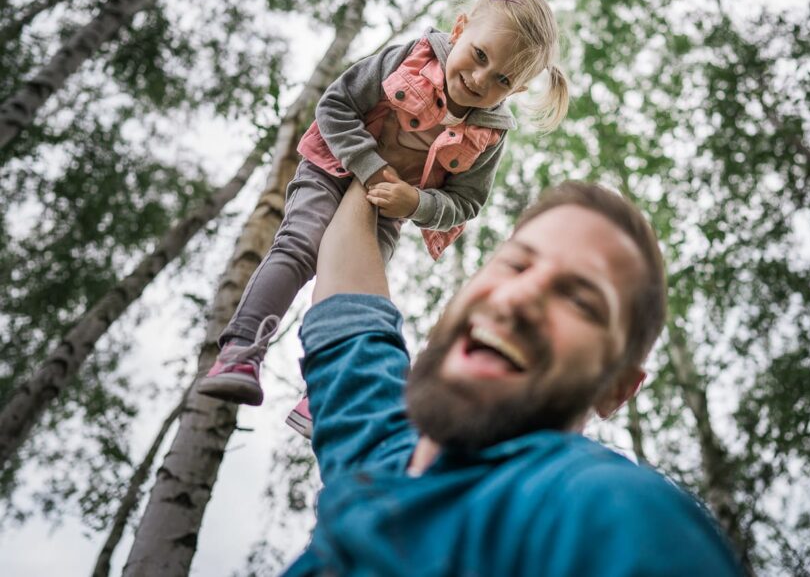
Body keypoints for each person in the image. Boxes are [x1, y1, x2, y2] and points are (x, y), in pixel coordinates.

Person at [196, 0, 570, 437]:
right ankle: (241, 349)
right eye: (479, 55)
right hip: (333, 168)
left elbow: (466, 203)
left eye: (502, 80)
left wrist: (415, 200)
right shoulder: (409, 60)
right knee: (302, 246)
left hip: (390, 207)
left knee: (355, 289)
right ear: (460, 29)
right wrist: (371, 168)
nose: (482, 80)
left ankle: (328, 394)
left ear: (518, 90)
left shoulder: (488, 134)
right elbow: (335, 105)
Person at [282, 179, 743, 576]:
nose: (517, 297)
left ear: (616, 388)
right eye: (516, 265)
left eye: (580, 301)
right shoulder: (379, 454)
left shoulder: (612, 514)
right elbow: (351, 318)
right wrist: (380, 157)